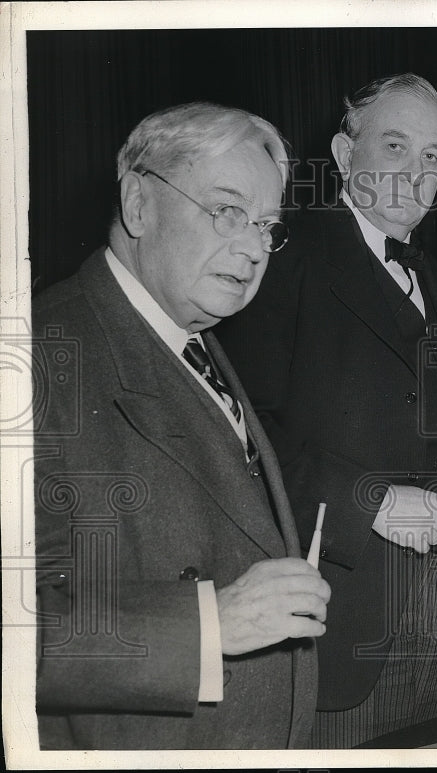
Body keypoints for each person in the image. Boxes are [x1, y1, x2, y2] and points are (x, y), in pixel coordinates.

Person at [33, 102, 330, 749]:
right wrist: (209, 624)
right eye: (227, 211)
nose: (253, 248)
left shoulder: (195, 338)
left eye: (266, 226)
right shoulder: (35, 358)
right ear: (139, 203)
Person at [214, 73, 437, 748]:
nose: (417, 171)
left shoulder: (431, 269)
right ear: (345, 155)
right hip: (339, 623)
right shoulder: (282, 256)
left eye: (434, 156)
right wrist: (371, 501)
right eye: (395, 146)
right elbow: (239, 434)